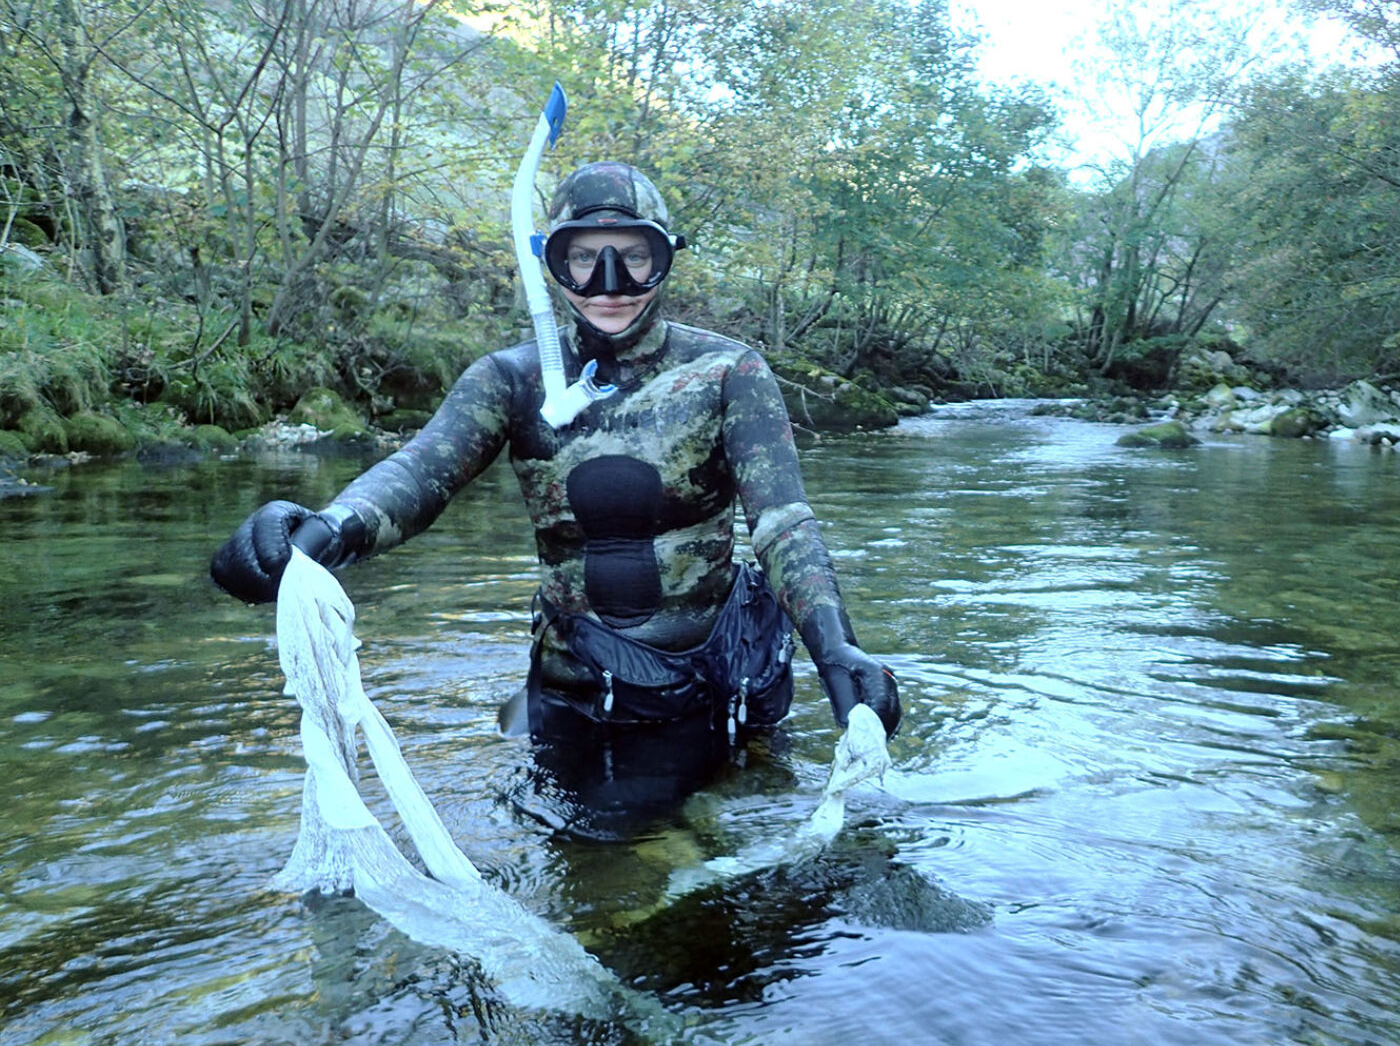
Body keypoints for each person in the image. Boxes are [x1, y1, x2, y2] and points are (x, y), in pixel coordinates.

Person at [210, 161, 900, 829]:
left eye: (634, 257)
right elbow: (421, 472)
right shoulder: (510, 381)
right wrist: (331, 530)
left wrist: (835, 646)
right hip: (578, 687)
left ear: (667, 260)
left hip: (721, 684)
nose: (609, 284)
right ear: (553, 263)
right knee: (595, 868)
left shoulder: (726, 372)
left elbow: (781, 523)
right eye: (583, 259)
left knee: (730, 867)